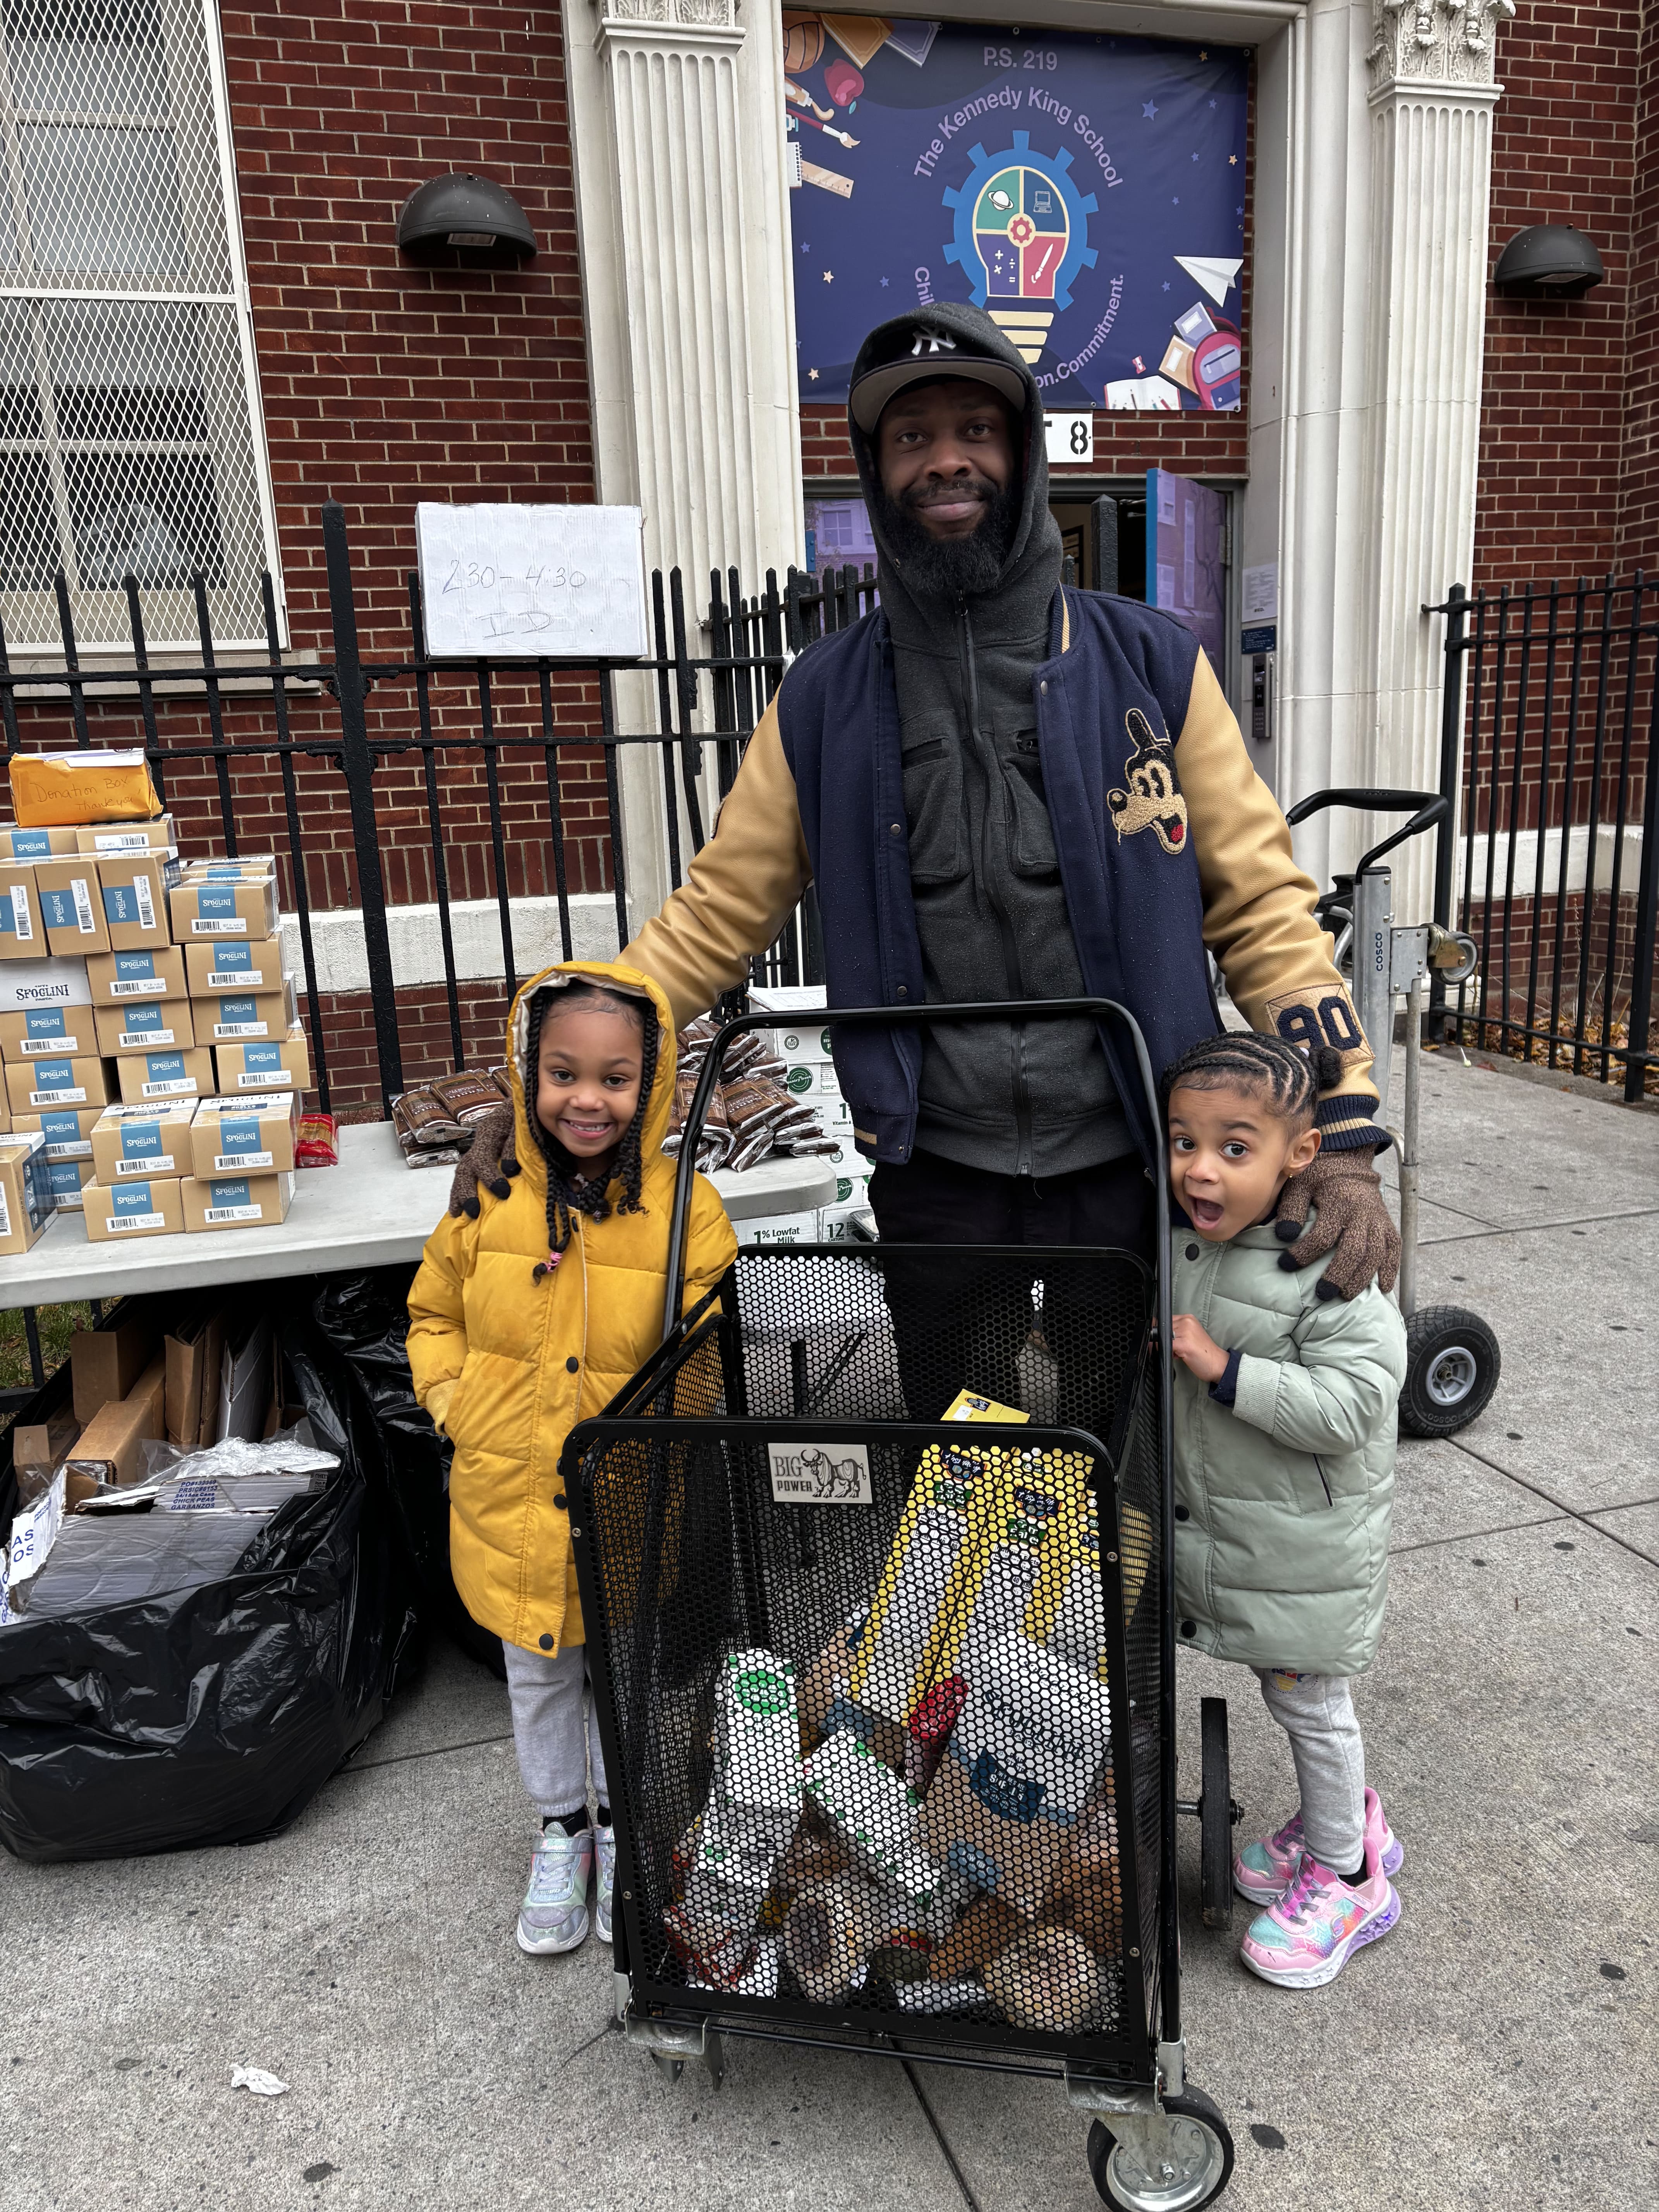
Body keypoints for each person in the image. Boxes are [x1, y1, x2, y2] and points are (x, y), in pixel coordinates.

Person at [451, 299, 1398, 1346]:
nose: (945, 462)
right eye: (911, 439)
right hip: (935, 1166)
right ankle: (986, 1513)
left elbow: (1262, 904)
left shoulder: (1154, 666)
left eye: (974, 432)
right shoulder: (821, 696)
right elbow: (716, 910)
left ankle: (1116, 1514)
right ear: (874, 468)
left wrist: (1342, 1125)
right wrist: (555, 1073)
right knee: (958, 1449)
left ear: (1023, 453)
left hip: (1142, 1152)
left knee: (1138, 1448)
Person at [407, 960, 737, 1957]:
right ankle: (562, 1827)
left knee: (622, 1671)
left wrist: (653, 1443)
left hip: (626, 1498)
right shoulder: (488, 1198)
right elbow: (432, 1315)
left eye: (614, 1078)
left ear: (655, 1085)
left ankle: (616, 1819)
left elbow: (705, 1349)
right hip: (509, 1494)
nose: (587, 1099)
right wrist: (456, 1405)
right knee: (539, 1672)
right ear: (527, 1074)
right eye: (562, 1074)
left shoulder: (688, 1212)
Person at [1164, 1030, 1407, 1989]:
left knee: (1310, 1705)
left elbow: (1352, 1408)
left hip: (1304, 1548)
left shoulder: (1331, 1264)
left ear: (1300, 1156)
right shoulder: (1198, 1246)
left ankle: (1352, 1878)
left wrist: (1226, 1373)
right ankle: (1344, 1820)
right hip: (1251, 1534)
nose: (1200, 1169)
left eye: (1234, 1147)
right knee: (1294, 1699)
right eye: (1185, 1142)